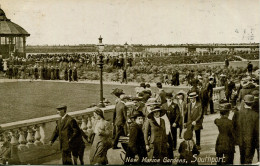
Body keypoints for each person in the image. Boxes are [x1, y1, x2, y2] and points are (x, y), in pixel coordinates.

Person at [232, 95, 259, 164]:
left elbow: (233, 127)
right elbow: (257, 132)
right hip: (251, 142)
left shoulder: (237, 114)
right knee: (248, 159)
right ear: (252, 103)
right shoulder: (256, 115)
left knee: (242, 158)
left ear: (244, 102)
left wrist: (236, 139)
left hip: (241, 140)